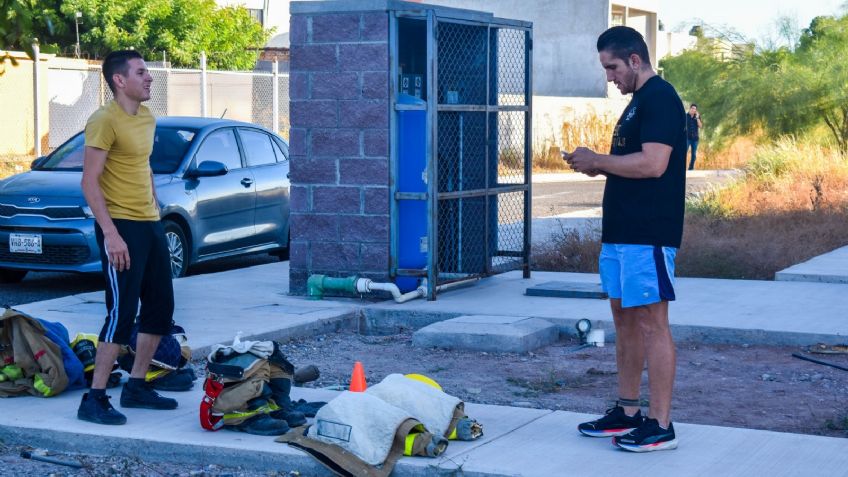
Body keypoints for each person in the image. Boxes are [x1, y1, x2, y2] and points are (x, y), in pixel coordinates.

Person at [563, 26, 686, 452]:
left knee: (653, 324)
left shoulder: (660, 98)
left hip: (647, 234)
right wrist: (598, 164)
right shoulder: (637, 104)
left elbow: (654, 164)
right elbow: (632, 160)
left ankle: (661, 424)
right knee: (625, 322)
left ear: (635, 59)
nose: (609, 77)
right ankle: (628, 412)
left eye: (612, 67)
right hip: (620, 235)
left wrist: (598, 160)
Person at [77, 50, 178, 425]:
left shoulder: (147, 117)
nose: (149, 78)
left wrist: (156, 202)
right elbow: (89, 181)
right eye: (141, 72)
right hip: (120, 226)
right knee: (121, 313)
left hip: (150, 223)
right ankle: (94, 397)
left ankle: (136, 385)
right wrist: (111, 234)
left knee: (160, 310)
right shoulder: (104, 120)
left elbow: (143, 164)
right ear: (120, 80)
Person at [686, 104, 702, 170]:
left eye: (695, 109)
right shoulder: (685, 116)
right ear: (690, 108)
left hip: (695, 139)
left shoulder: (697, 117)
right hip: (687, 138)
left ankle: (691, 168)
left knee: (694, 155)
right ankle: (681, 168)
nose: (693, 110)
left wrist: (698, 118)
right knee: (684, 153)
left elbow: (700, 126)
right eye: (692, 108)